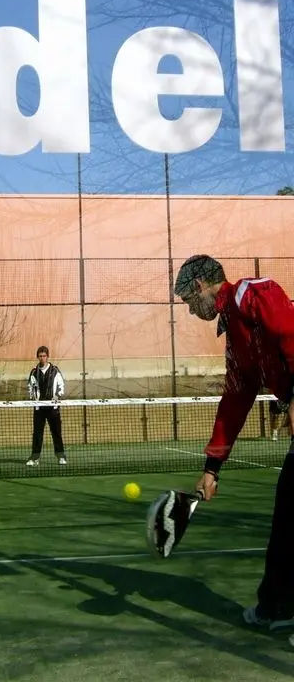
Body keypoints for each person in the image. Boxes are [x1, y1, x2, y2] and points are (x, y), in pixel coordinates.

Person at [174, 255, 294, 633]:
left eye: (189, 304)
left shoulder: (251, 294)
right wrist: (212, 468)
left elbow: (291, 333)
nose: (192, 313)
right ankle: (277, 608)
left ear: (198, 288)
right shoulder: (236, 344)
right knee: (287, 520)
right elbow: (235, 401)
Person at [25, 346, 67, 466]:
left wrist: (57, 396)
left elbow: (61, 385)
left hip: (53, 407)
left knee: (56, 432)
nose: (42, 358)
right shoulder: (34, 372)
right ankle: (35, 457)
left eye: (44, 355)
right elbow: (30, 387)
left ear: (47, 356)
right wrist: (33, 398)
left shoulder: (55, 370)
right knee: (37, 433)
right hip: (39, 407)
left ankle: (61, 456)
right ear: (37, 357)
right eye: (40, 356)